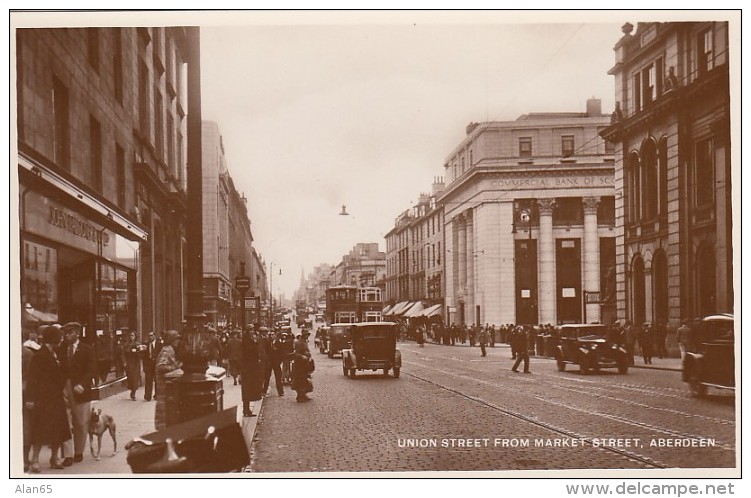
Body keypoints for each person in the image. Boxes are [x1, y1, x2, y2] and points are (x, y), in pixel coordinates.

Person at [26, 325, 71, 473]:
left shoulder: (55, 353)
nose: (61, 340)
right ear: (53, 339)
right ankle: (35, 460)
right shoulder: (40, 355)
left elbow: (61, 374)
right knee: (40, 430)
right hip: (43, 398)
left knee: (57, 429)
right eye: (59, 337)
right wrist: (30, 399)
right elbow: (32, 378)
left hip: (55, 398)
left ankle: (55, 458)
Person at [58, 322, 95, 466]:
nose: (67, 336)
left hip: (80, 390)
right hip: (64, 387)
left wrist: (83, 384)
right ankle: (67, 455)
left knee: (81, 422)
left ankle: (78, 451)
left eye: (70, 333)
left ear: (77, 333)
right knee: (65, 422)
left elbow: (92, 369)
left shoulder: (87, 349)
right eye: (66, 333)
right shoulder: (61, 350)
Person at [154, 330, 182, 431]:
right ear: (172, 340)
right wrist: (175, 367)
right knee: (164, 414)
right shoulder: (166, 350)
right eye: (176, 339)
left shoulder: (170, 349)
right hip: (165, 388)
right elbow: (161, 367)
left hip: (168, 389)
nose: (178, 341)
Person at [22, 329, 41, 472]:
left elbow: (31, 378)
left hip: (26, 396)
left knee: (30, 429)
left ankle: (32, 459)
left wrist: (30, 397)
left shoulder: (28, 354)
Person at [240, 327, 263, 417]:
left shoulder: (251, 340)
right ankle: (246, 410)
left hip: (251, 367)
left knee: (249, 389)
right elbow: (249, 353)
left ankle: (247, 409)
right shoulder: (246, 342)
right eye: (250, 330)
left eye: (253, 330)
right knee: (247, 389)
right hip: (247, 368)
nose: (252, 332)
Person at [141, 331, 163, 401]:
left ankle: (157, 395)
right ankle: (147, 396)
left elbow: (161, 354)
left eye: (151, 335)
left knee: (157, 380)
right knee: (148, 380)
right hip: (149, 364)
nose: (150, 337)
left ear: (154, 336)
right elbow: (143, 356)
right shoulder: (146, 344)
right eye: (149, 336)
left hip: (156, 364)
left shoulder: (159, 344)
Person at [292, 330, 313, 402]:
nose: (307, 336)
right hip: (299, 365)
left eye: (308, 335)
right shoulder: (299, 343)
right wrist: (302, 356)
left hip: (305, 364)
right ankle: (300, 396)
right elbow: (295, 354)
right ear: (303, 335)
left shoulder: (304, 342)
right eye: (306, 335)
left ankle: (304, 394)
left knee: (305, 379)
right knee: (300, 380)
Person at [123, 331, 143, 401]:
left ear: (135, 336)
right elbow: (124, 354)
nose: (131, 337)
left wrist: (137, 352)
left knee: (135, 378)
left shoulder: (138, 344)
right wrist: (125, 362)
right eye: (131, 335)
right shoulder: (127, 344)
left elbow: (141, 354)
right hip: (129, 363)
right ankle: (131, 389)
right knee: (130, 377)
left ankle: (133, 393)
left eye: (133, 335)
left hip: (135, 363)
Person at [264, 331, 285, 396]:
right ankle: (264, 390)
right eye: (270, 335)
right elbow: (266, 351)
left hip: (276, 362)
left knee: (278, 377)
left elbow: (282, 352)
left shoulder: (279, 342)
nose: (271, 336)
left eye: (273, 334)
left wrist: (280, 361)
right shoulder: (267, 342)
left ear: (275, 335)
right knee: (267, 377)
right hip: (269, 362)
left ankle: (280, 391)